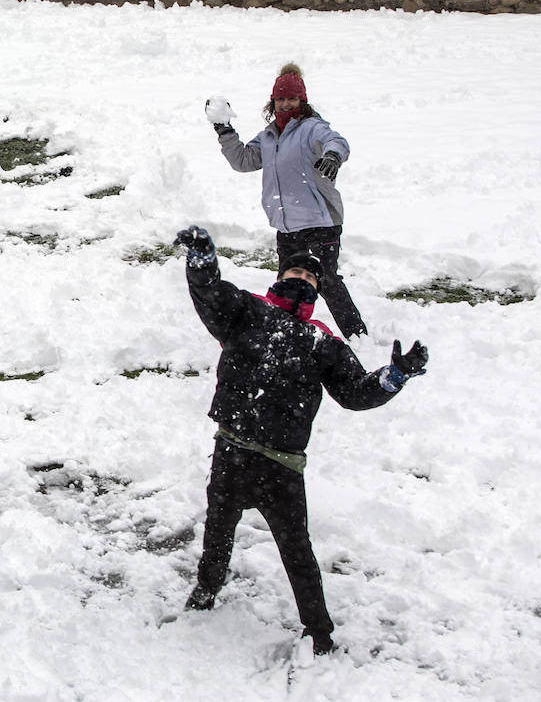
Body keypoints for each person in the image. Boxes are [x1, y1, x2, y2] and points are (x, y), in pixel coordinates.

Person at [173, 224, 428, 654]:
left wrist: (394, 377)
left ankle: (319, 631)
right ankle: (206, 588)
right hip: (232, 447)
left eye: (312, 277)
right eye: (296, 272)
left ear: (317, 291)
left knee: (298, 552)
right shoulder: (247, 312)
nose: (302, 278)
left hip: (281, 463)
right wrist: (201, 257)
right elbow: (209, 292)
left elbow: (354, 393)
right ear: (280, 276)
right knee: (218, 529)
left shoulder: (323, 342)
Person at [207, 63, 368, 338]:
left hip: (320, 221)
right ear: (273, 102)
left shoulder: (312, 128)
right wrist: (224, 130)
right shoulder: (269, 136)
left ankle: (357, 336)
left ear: (302, 100)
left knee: (326, 281)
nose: (285, 104)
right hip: (286, 225)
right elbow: (243, 161)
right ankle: (283, 335)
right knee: (287, 283)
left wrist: (332, 156)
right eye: (280, 99)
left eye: (291, 99)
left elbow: (336, 141)